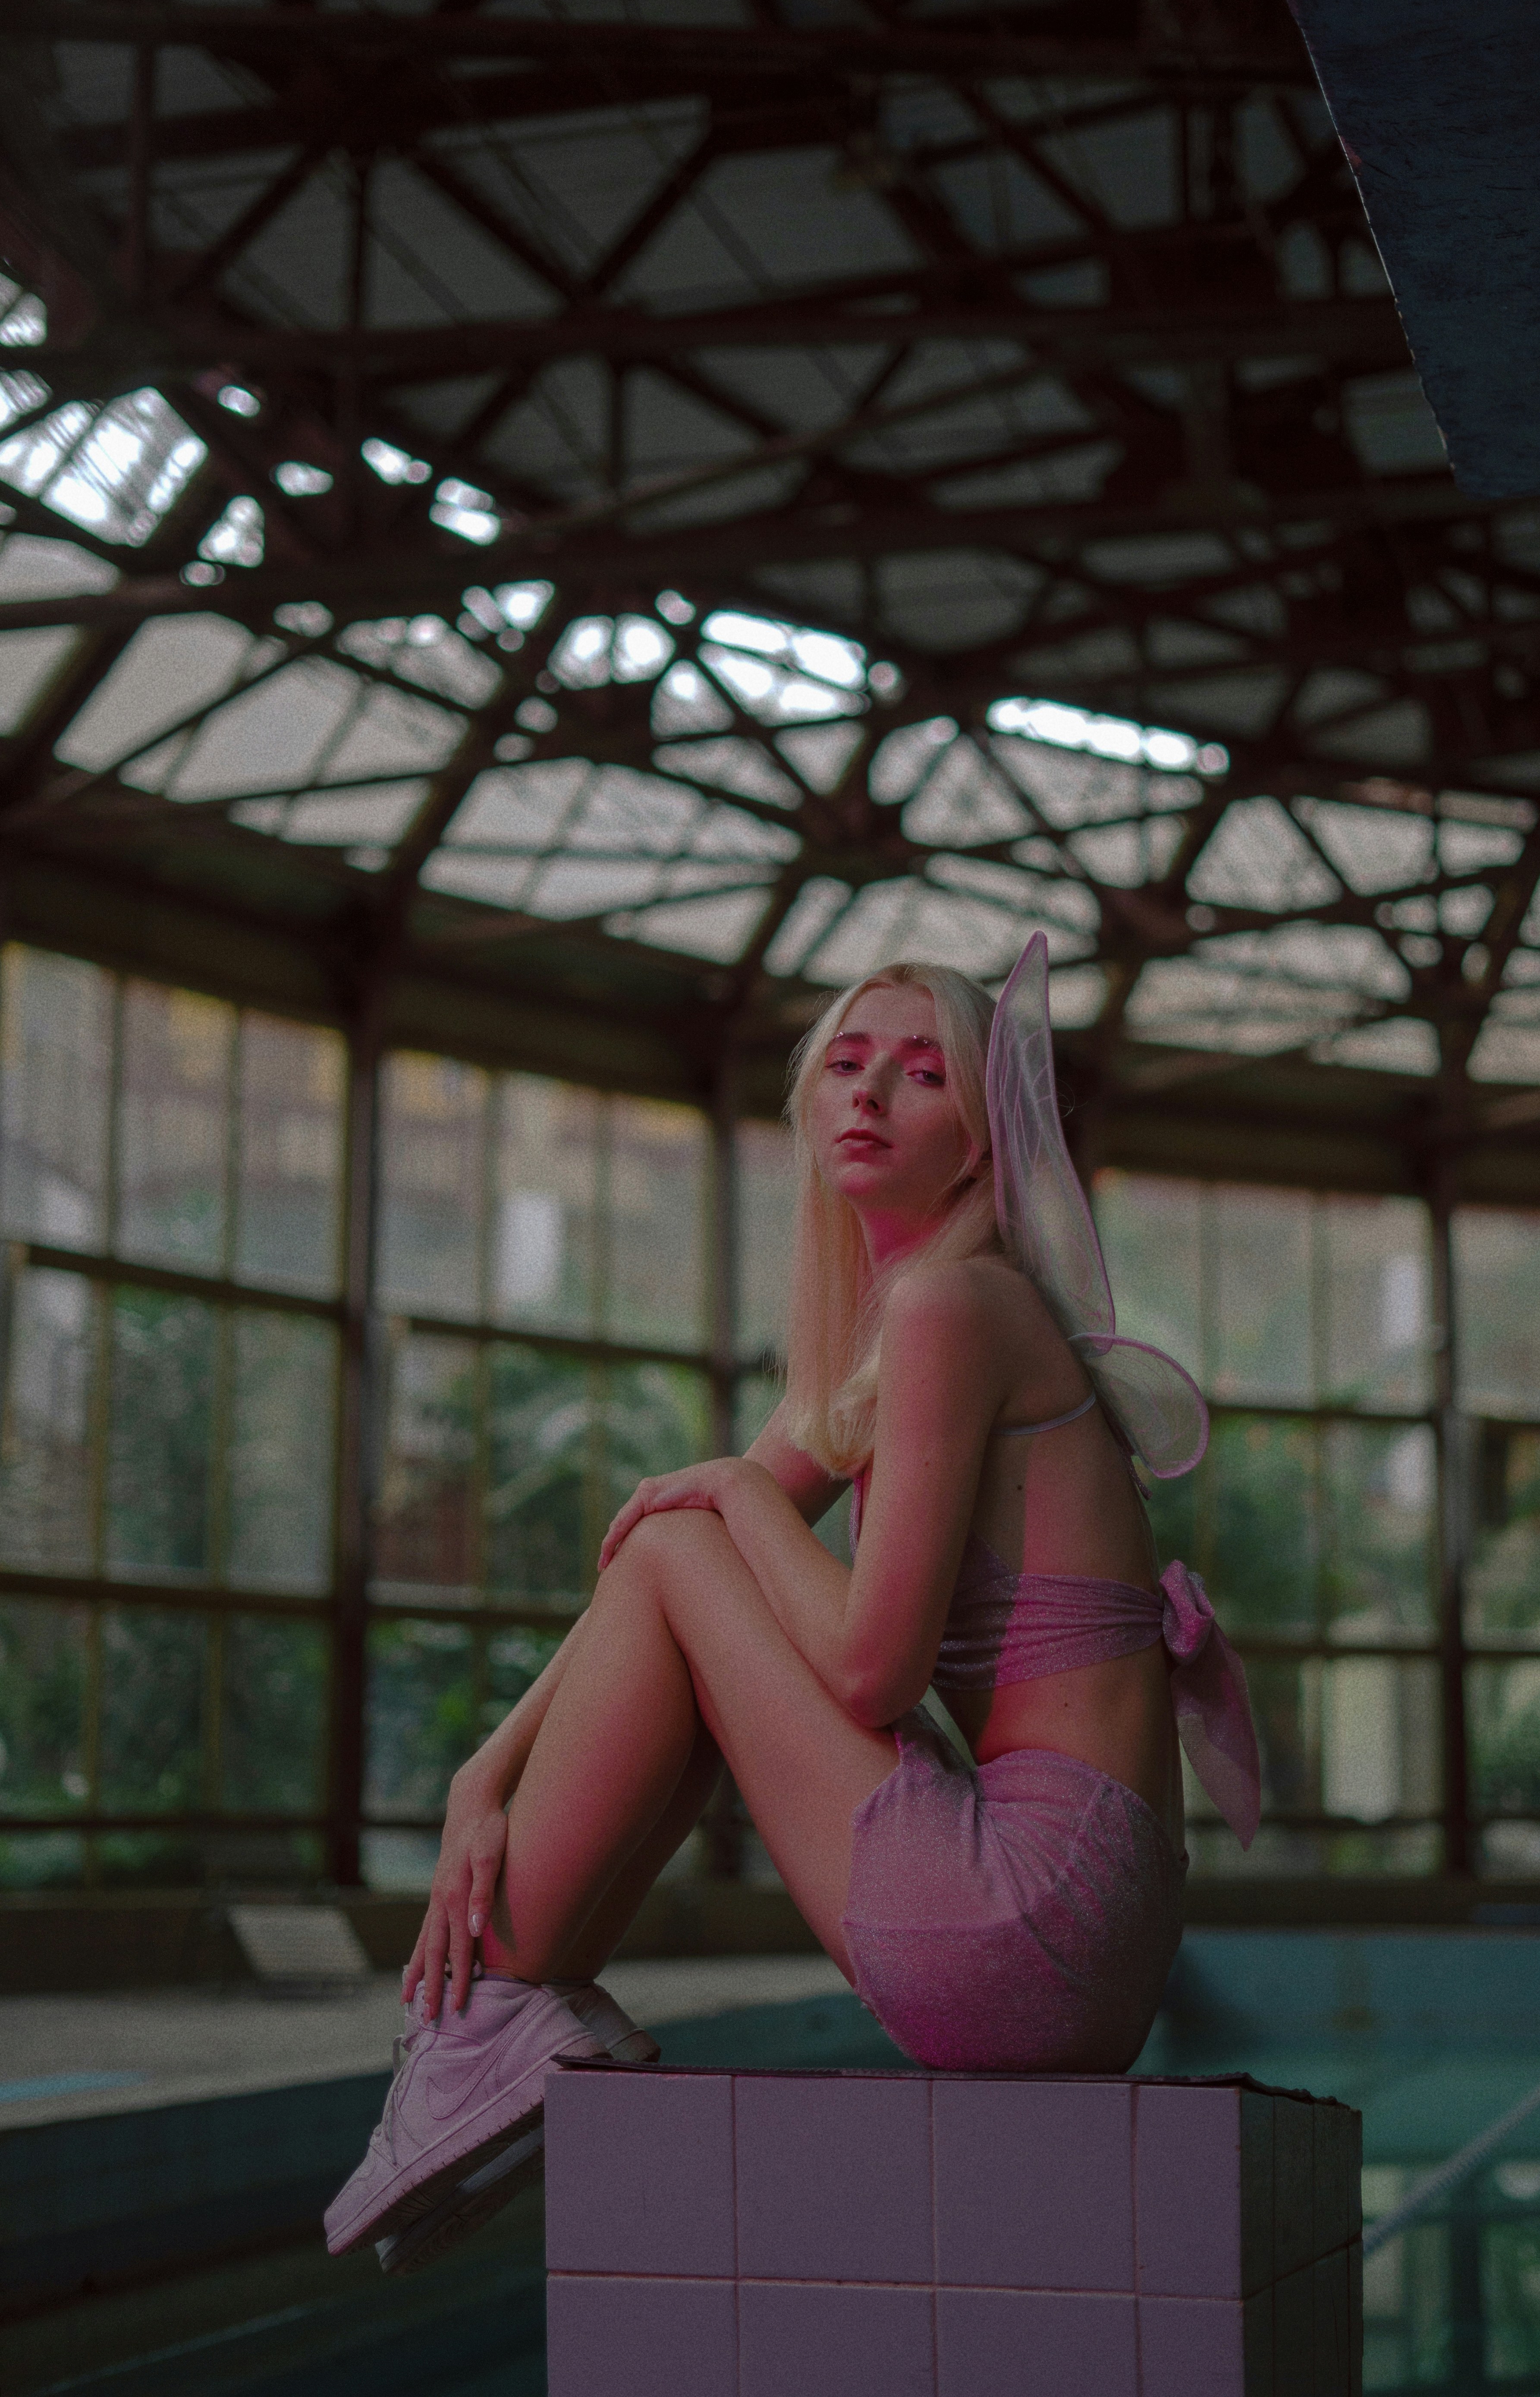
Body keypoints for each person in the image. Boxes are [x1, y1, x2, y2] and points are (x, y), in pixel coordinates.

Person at [325, 934, 1259, 2275]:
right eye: (846, 1066)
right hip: (1085, 1955)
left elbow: (868, 1672)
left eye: (923, 1074)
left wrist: (729, 1494)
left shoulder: (953, 1306)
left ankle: (485, 2026)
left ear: (988, 1140)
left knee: (686, 1538)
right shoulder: (916, 1324)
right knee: (691, 1538)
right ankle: (502, 2027)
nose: (869, 1096)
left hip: (1027, 1921)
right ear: (808, 1104)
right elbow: (708, 1539)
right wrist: (487, 1772)